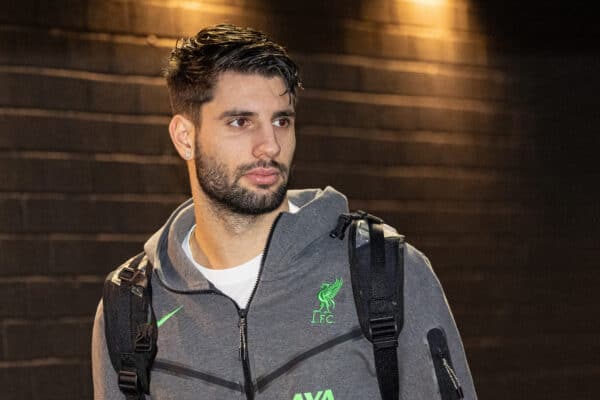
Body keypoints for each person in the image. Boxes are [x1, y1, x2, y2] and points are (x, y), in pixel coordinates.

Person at [92, 23, 477, 399]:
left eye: (281, 120)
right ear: (185, 137)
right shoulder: (131, 308)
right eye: (241, 122)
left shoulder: (385, 271)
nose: (270, 146)